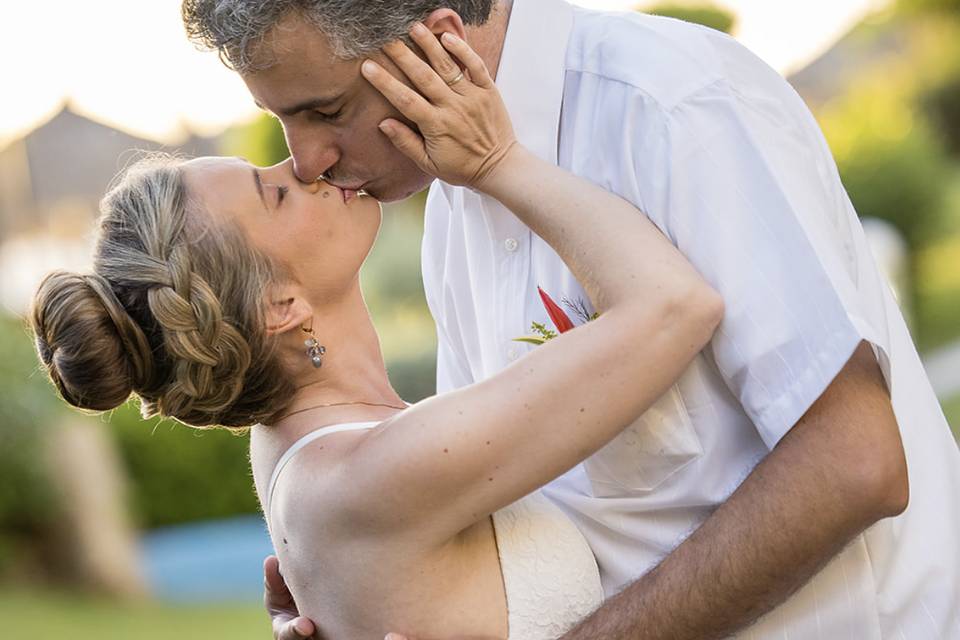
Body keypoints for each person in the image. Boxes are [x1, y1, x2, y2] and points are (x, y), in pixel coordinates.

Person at [182, 1, 960, 639]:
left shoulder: (672, 107)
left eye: (325, 110)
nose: (308, 158)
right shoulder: (453, 206)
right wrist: (363, 597)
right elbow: (508, 517)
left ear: (441, 44)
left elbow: (856, 465)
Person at [29, 31, 724, 640]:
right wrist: (497, 162)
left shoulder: (303, 456)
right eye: (273, 191)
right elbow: (674, 305)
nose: (302, 165)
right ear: (281, 306)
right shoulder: (365, 476)